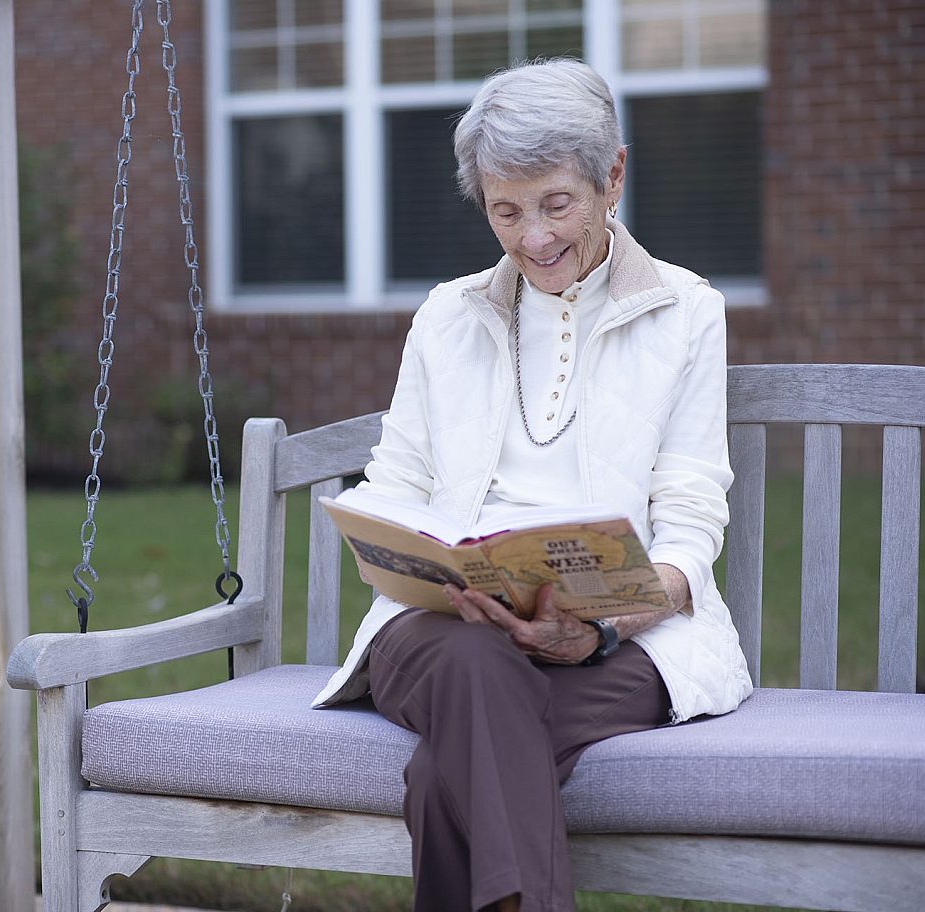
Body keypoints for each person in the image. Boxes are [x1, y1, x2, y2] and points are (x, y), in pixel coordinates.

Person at [311, 59, 754, 912]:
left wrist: (599, 632)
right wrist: (400, 544)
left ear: (612, 175)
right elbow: (393, 483)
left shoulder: (687, 311)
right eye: (505, 211)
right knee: (477, 660)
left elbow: (692, 522)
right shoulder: (448, 315)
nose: (534, 238)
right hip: (439, 632)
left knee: (457, 759)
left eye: (556, 204)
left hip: (625, 644)